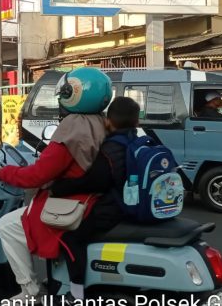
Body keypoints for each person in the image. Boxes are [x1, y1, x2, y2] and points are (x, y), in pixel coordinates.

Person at [0, 67, 112, 303]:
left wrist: (1, 171)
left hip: (72, 204)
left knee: (7, 225)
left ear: (72, 94)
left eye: (64, 92)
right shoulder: (100, 122)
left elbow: (36, 177)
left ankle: (30, 291)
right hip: (92, 199)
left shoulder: (72, 130)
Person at [48, 97, 140, 303]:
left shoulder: (111, 147)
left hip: (113, 209)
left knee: (70, 237)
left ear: (108, 121)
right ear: (137, 122)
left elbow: (95, 182)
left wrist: (59, 187)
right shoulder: (138, 140)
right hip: (131, 204)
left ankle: (76, 293)